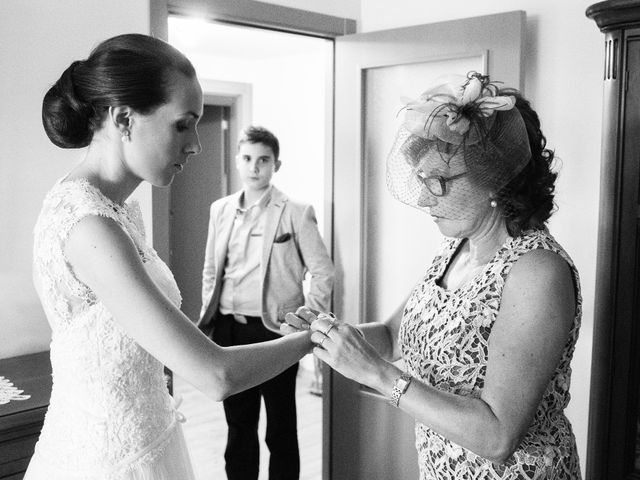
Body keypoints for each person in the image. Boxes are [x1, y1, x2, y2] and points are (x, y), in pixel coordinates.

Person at [28, 34, 314, 480]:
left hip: (150, 437)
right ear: (124, 119)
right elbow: (216, 375)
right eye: (183, 124)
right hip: (105, 461)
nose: (196, 144)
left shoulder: (122, 212)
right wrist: (316, 339)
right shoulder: (89, 227)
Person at [284, 72, 582, 479]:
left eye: (439, 181)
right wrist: (328, 335)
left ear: (495, 177)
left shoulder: (536, 272)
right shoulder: (455, 247)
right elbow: (393, 336)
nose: (423, 197)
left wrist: (374, 373)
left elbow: (498, 436)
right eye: (422, 178)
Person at [198, 125, 334, 480]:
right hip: (229, 329)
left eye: (263, 160)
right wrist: (208, 317)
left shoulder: (296, 212)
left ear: (276, 164)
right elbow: (212, 270)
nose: (254, 167)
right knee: (238, 425)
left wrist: (307, 324)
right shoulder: (220, 209)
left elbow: (323, 272)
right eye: (247, 158)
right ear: (238, 160)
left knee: (280, 428)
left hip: (274, 332)